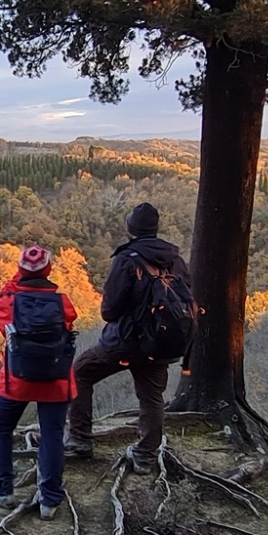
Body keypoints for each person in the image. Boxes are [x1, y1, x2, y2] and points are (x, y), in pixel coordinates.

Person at [65, 202, 193, 471]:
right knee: (151, 397)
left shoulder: (127, 259)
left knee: (80, 373)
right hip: (161, 343)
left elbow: (109, 311)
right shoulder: (175, 259)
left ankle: (79, 440)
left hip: (124, 342)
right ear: (155, 229)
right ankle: (145, 456)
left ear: (130, 229)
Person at [0, 244, 78, 519]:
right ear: (48, 270)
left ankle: (2, 488)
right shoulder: (63, 303)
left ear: (20, 269)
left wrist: (18, 280)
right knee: (52, 434)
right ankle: (49, 500)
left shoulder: (8, 302)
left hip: (18, 378)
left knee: (0, 427)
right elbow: (71, 320)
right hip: (56, 378)